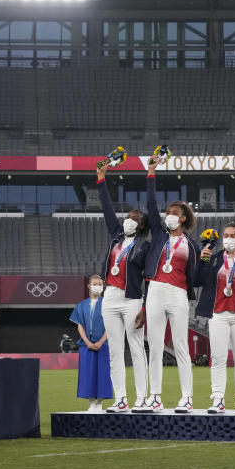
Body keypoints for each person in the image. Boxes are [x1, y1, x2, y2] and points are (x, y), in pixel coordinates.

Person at [133, 157, 199, 414]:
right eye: (167, 213)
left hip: (178, 294)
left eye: (173, 213)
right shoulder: (159, 235)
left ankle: (187, 397)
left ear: (183, 218)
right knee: (156, 345)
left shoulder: (192, 244)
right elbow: (151, 202)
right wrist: (151, 172)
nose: (168, 216)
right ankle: (156, 396)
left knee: (181, 345)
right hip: (156, 292)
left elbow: (196, 275)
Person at [96, 161, 151, 414]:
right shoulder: (117, 236)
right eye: (128, 217)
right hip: (110, 297)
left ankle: (141, 397)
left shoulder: (145, 245)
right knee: (115, 352)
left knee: (136, 347)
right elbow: (107, 209)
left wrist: (145, 307)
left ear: (141, 225)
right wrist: (101, 179)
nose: (128, 220)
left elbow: (149, 277)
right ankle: (121, 398)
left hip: (131, 299)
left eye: (134, 219)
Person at [194, 223, 235, 414]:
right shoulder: (213, 258)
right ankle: (218, 398)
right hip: (218, 315)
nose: (228, 238)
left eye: (232, 235)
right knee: (218, 358)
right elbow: (197, 281)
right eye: (225, 235)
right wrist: (202, 261)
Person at [71, 275, 112, 412]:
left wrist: (101, 342)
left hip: (103, 345)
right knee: (88, 374)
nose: (97, 286)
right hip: (85, 346)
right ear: (89, 286)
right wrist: (88, 342)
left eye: (100, 284)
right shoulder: (81, 305)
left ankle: (100, 403)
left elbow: (110, 326)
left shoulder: (107, 304)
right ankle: (91, 404)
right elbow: (80, 325)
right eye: (95, 284)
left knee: (103, 374)